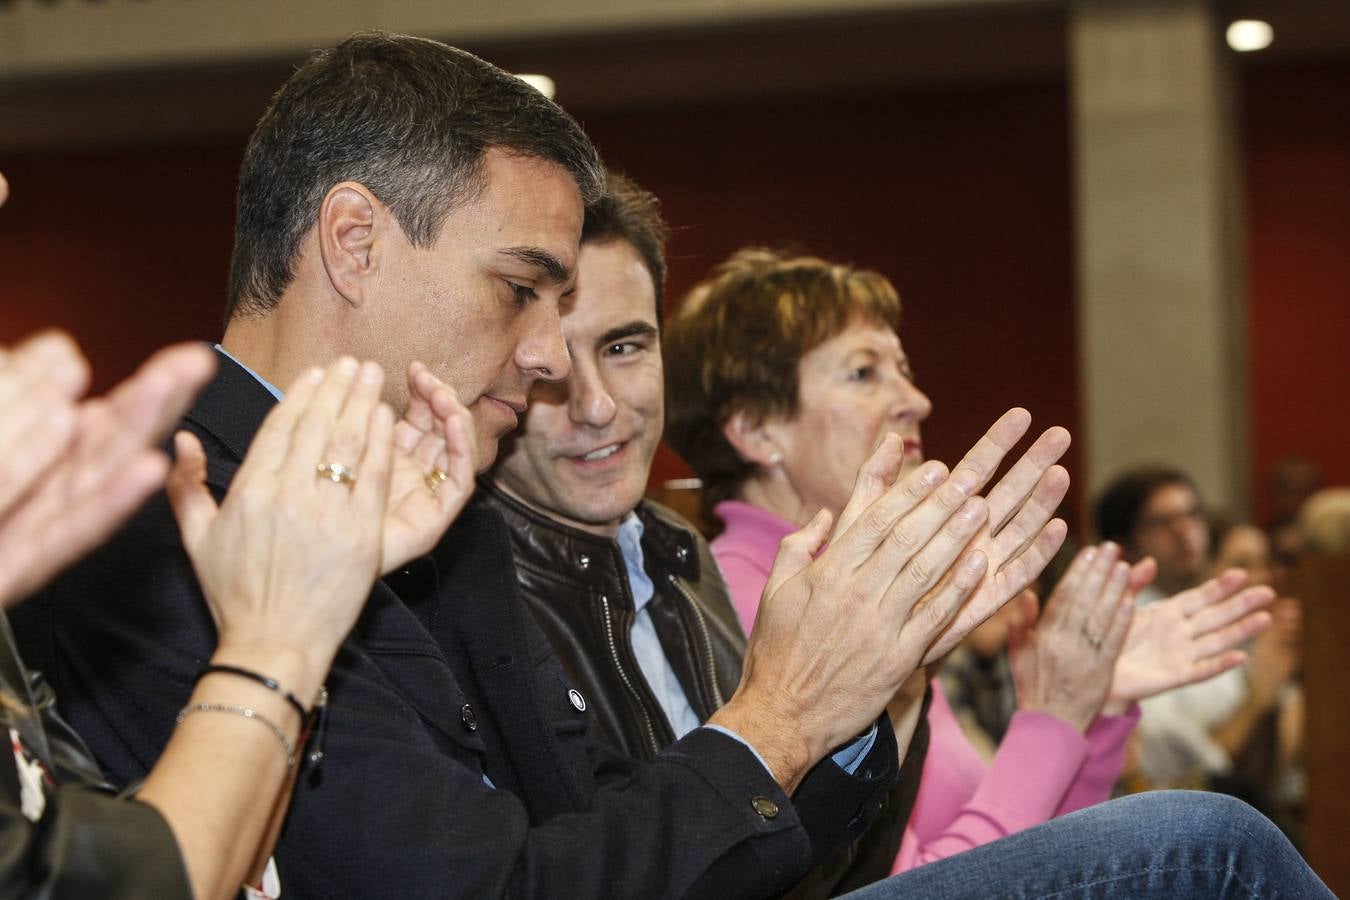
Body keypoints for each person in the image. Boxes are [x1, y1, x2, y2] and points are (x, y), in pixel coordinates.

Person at [14, 36, 1333, 900]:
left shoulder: (442, 504)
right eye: (521, 289)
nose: (550, 363)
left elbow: (618, 840)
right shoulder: (158, 510)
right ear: (353, 244)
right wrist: (777, 718)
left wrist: (848, 705)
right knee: (1195, 853)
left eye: (601, 327)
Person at [662, 248, 1274, 872]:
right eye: (864, 373)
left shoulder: (860, 591)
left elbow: (1042, 869)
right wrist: (1051, 721)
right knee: (1222, 843)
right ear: (758, 429)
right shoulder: (744, 601)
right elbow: (924, 887)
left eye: (902, 368)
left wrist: (1093, 706)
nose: (917, 400)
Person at [482, 173, 919, 893]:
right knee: (1168, 842)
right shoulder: (466, 599)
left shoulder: (674, 553)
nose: (596, 405)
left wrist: (896, 678)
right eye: (554, 365)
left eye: (625, 348)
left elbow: (801, 860)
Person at [1095, 468, 1298, 802]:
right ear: (1123, 546)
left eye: (1192, 514)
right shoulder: (1121, 631)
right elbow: (1185, 782)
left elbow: (1262, 774)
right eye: (1159, 523)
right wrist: (1260, 697)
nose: (1183, 531)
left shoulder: (1216, 617)